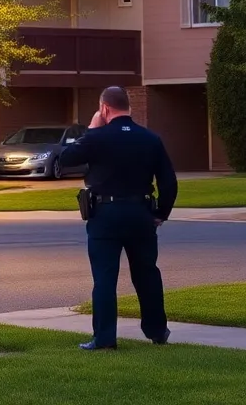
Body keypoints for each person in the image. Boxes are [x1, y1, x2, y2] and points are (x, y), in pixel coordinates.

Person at [59, 86, 178, 350]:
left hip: (105, 214)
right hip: (141, 213)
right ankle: (157, 331)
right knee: (147, 274)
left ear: (104, 108)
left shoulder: (97, 137)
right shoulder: (150, 138)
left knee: (104, 278)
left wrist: (91, 129)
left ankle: (104, 338)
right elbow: (169, 182)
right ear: (129, 107)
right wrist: (161, 213)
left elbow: (65, 158)